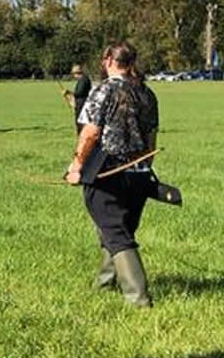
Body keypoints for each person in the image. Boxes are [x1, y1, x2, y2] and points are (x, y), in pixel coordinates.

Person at [64, 42, 160, 308]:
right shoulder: (147, 93)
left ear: (108, 60)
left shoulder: (103, 90)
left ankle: (138, 299)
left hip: (108, 173)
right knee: (119, 228)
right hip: (140, 172)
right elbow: (151, 137)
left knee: (115, 232)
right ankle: (105, 283)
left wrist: (76, 166)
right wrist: (144, 166)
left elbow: (90, 133)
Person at [66, 64, 93, 135]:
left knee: (81, 122)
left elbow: (80, 92)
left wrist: (69, 92)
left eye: (74, 74)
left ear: (77, 73)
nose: (74, 76)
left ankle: (82, 134)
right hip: (80, 104)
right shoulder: (81, 80)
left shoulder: (84, 80)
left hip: (82, 104)